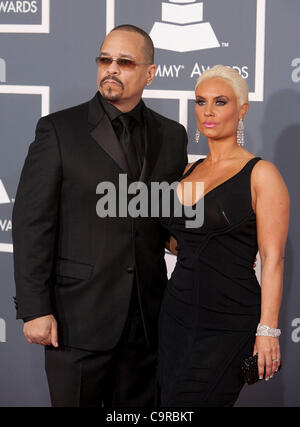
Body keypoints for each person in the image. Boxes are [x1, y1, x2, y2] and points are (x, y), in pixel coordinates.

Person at [12, 25, 188, 407]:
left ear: (150, 73)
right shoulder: (59, 130)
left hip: (147, 322)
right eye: (105, 59)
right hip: (77, 319)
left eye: (124, 62)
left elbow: (167, 219)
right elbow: (32, 224)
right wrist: (35, 308)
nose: (111, 68)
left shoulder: (173, 136)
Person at [158, 65, 289, 407]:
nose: (208, 111)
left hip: (229, 322)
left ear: (242, 109)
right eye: (200, 102)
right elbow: (180, 242)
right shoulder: (188, 171)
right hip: (175, 317)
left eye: (220, 101)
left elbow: (273, 259)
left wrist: (268, 331)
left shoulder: (261, 174)